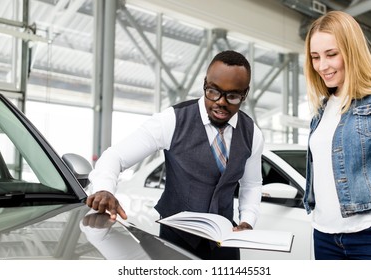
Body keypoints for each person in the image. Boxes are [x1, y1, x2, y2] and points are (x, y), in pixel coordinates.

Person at [86, 50, 264, 260]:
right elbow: (115, 155)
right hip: (175, 241)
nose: (221, 102)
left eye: (233, 96)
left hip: (226, 242)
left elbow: (251, 184)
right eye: (213, 91)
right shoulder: (171, 120)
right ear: (204, 84)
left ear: (245, 93)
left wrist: (247, 222)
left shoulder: (253, 134)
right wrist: (105, 188)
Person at [303, 10, 371, 260]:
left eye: (331, 54)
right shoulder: (322, 109)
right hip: (325, 235)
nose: (322, 66)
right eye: (315, 57)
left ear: (352, 51)